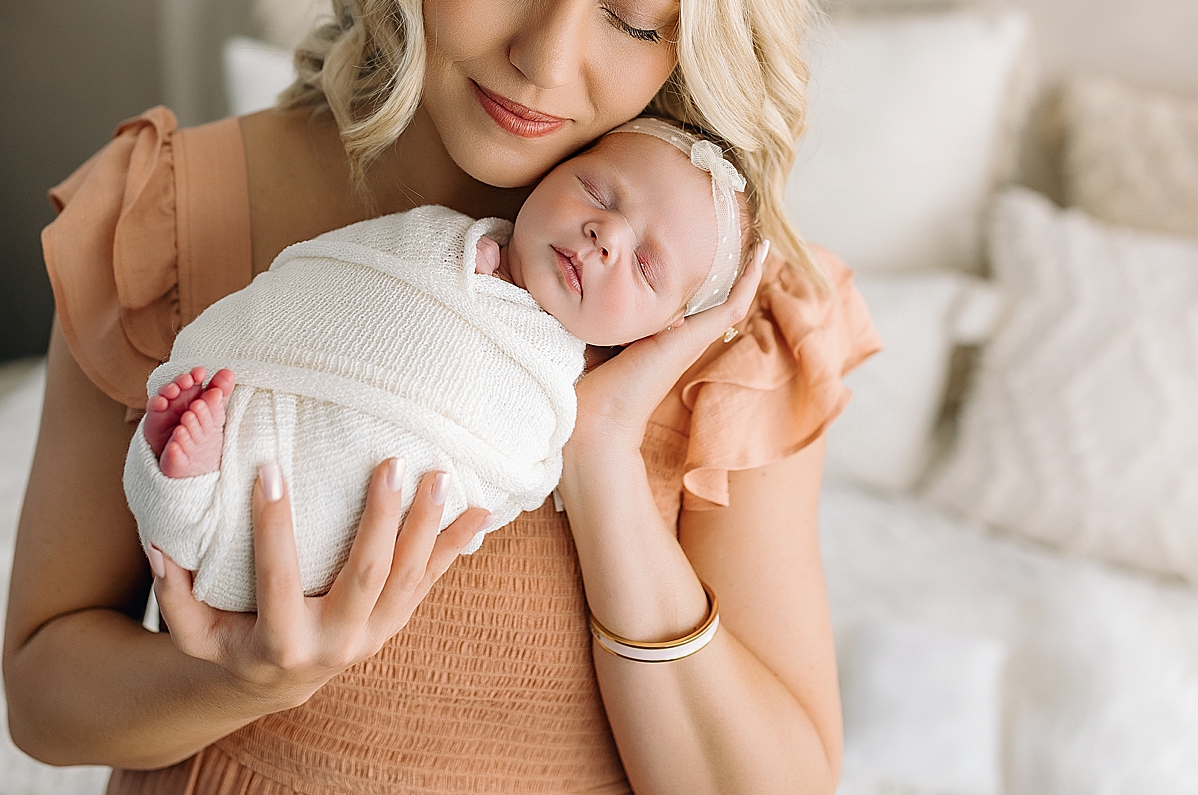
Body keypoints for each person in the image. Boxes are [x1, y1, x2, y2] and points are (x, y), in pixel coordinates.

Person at [3, 0, 882, 795]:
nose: (543, 60)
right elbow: (43, 694)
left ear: (696, 36)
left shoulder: (725, 307)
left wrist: (605, 457)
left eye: (633, 19)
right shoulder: (174, 214)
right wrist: (230, 679)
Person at [130, 117, 759, 614]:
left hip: (342, 494)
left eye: (645, 266)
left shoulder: (554, 391)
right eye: (596, 191)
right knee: (226, 404)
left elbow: (501, 485)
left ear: (662, 330)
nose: (606, 235)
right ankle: (195, 465)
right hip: (270, 386)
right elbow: (331, 280)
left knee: (321, 494)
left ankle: (193, 487)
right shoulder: (436, 238)